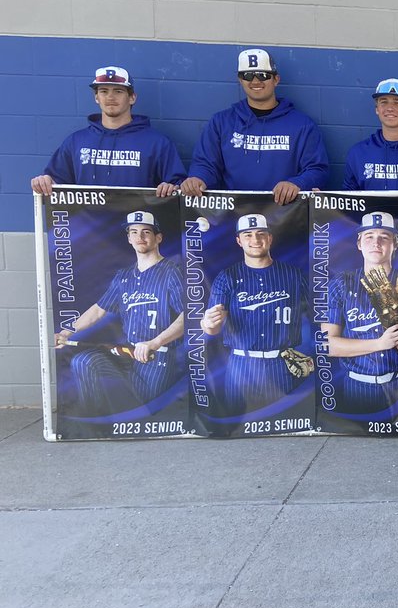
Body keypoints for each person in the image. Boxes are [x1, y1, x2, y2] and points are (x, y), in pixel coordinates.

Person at [54, 210, 184, 416]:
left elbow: (188, 316)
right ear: (129, 238)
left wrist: (155, 342)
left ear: (158, 237)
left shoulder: (171, 272)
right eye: (134, 232)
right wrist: (65, 333)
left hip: (157, 357)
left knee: (144, 410)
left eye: (146, 232)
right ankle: (94, 421)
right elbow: (98, 310)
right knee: (83, 362)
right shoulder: (123, 276)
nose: (140, 237)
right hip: (127, 354)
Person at [181, 48, 329, 204]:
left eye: (263, 75)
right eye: (248, 76)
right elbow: (205, 164)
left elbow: (318, 170)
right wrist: (198, 179)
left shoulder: (302, 125)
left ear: (276, 80)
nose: (256, 81)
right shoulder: (221, 122)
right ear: (240, 80)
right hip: (231, 215)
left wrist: (298, 183)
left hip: (285, 214)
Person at [201, 213, 309, 414]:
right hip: (242, 366)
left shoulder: (293, 275)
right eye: (248, 235)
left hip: (283, 364)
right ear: (239, 241)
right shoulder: (227, 278)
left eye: (261, 234)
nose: (255, 240)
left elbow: (317, 315)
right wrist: (207, 323)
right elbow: (213, 327)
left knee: (286, 425)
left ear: (270, 238)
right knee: (239, 425)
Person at [322, 212, 398, 415]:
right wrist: (379, 344)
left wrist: (387, 298)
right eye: (369, 236)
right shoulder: (340, 283)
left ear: (394, 244)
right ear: (359, 244)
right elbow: (328, 345)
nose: (376, 243)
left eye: (384, 237)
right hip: (357, 386)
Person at [31, 66, 184, 197]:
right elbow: (56, 184)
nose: (110, 97)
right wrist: (45, 182)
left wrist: (172, 188)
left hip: (136, 229)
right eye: (104, 91)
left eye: (118, 91)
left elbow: (177, 187)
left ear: (132, 98)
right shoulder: (76, 142)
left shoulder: (157, 143)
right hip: (88, 230)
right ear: (96, 97)